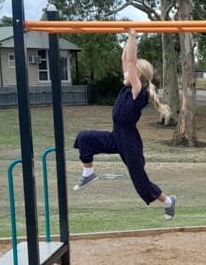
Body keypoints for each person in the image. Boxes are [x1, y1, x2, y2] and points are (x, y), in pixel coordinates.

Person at [72, 29, 177, 221]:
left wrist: (132, 36)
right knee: (84, 137)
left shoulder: (138, 91)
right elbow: (125, 59)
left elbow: (130, 61)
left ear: (137, 74)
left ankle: (168, 202)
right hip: (116, 136)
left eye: (129, 70)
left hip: (129, 142)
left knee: (140, 182)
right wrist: (127, 37)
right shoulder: (126, 88)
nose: (125, 71)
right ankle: (89, 173)